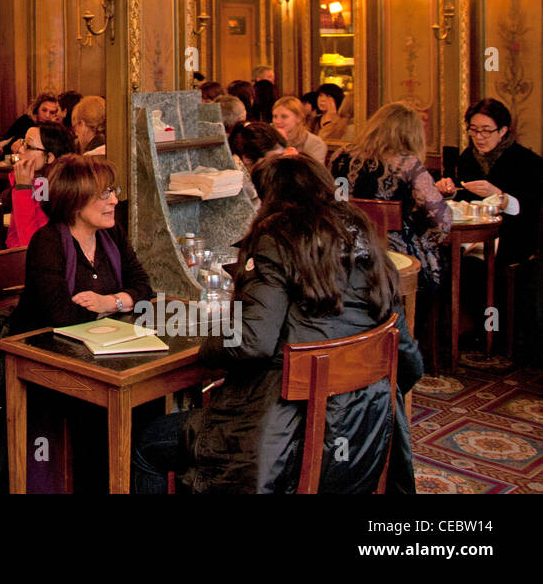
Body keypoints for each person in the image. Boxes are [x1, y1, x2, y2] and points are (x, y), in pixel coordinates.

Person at [131, 156, 422, 493]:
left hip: (280, 445)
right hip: (365, 441)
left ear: (271, 197)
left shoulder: (276, 238)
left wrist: (206, 345)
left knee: (147, 444)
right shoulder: (361, 234)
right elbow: (410, 362)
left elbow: (252, 340)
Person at [9, 154, 153, 333]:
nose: (114, 200)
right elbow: (61, 315)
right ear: (74, 200)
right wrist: (122, 303)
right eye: (104, 193)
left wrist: (109, 302)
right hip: (42, 347)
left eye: (113, 190)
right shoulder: (48, 241)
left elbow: (144, 288)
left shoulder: (112, 233)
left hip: (103, 338)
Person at [331, 102, 451, 288]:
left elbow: (335, 202)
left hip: (344, 250)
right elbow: (442, 222)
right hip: (395, 255)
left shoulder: (341, 157)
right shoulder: (408, 166)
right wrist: (423, 238)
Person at [435, 99, 543, 276]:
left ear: (503, 130)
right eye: (474, 130)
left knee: (471, 267)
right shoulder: (467, 157)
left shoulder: (527, 161)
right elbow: (462, 198)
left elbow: (530, 209)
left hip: (512, 236)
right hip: (470, 235)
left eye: (486, 131)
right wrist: (448, 192)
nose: (478, 137)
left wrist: (500, 196)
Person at [7, 120, 77, 248]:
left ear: (49, 158)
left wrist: (23, 188)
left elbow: (30, 243)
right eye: (23, 142)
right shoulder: (39, 181)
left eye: (28, 146)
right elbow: (13, 236)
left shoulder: (49, 187)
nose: (20, 150)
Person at [271, 95, 327, 165]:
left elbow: (314, 173)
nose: (277, 121)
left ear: (299, 118)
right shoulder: (269, 141)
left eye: (284, 116)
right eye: (275, 116)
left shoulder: (316, 144)